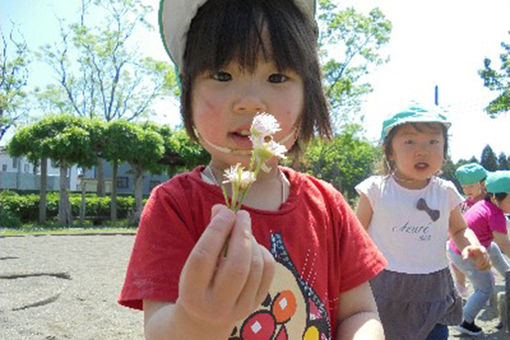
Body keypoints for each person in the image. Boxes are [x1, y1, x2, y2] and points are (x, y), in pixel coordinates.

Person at [118, 1, 388, 339]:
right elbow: (159, 330)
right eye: (222, 75)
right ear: (187, 92)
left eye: (276, 77)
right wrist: (197, 321)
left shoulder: (329, 205)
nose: (249, 101)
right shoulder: (174, 206)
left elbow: (360, 311)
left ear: (310, 95)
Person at [354, 104, 490, 340]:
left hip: (433, 288)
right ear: (389, 152)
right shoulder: (375, 189)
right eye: (410, 142)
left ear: (444, 150)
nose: (422, 151)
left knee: (435, 335)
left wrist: (471, 245)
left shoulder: (445, 191)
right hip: (385, 285)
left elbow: (459, 228)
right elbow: (355, 235)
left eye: (433, 142)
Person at [448, 170, 510, 336]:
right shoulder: (495, 214)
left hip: (462, 246)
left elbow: (498, 244)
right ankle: (465, 321)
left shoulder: (485, 204)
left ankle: (507, 273)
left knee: (493, 249)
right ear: (497, 197)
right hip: (465, 253)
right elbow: (505, 243)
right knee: (485, 288)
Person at [450, 163, 488, 297]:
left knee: (483, 263)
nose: (466, 190)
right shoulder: (466, 202)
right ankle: (461, 286)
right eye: (463, 187)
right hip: (465, 239)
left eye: (471, 186)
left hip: (483, 238)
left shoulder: (488, 201)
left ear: (483, 184)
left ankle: (484, 288)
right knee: (456, 264)